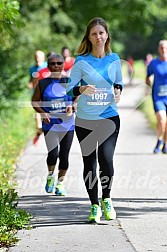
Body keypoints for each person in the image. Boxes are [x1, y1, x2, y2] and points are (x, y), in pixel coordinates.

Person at [66, 17, 123, 223]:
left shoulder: (114, 58)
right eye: (94, 34)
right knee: (89, 163)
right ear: (89, 38)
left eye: (101, 33)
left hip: (109, 118)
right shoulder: (81, 61)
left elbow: (118, 82)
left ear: (106, 35)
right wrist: (82, 89)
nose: (98, 37)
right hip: (85, 120)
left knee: (106, 160)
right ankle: (94, 206)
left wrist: (117, 91)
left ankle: (106, 198)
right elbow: (69, 89)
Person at [32, 54, 75, 195]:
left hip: (67, 125)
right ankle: (50, 176)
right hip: (50, 124)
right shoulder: (43, 83)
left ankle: (60, 184)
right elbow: (34, 101)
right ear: (48, 66)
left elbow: (78, 97)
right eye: (52, 63)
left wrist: (73, 106)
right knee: (53, 154)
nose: (56, 65)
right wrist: (43, 112)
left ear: (63, 64)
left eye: (59, 63)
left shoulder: (69, 82)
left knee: (64, 156)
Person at [146, 40, 167, 154]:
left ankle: (165, 144)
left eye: (165, 48)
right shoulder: (154, 63)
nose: (164, 50)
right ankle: (159, 141)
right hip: (158, 97)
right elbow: (147, 76)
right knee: (162, 120)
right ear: (159, 49)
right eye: (162, 48)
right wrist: (147, 87)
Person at [28, 50, 48, 144]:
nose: (37, 58)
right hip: (37, 94)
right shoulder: (32, 68)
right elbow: (31, 80)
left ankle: (42, 130)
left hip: (47, 94)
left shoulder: (47, 66)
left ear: (43, 58)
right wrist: (30, 84)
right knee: (37, 113)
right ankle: (39, 128)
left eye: (39, 56)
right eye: (36, 56)